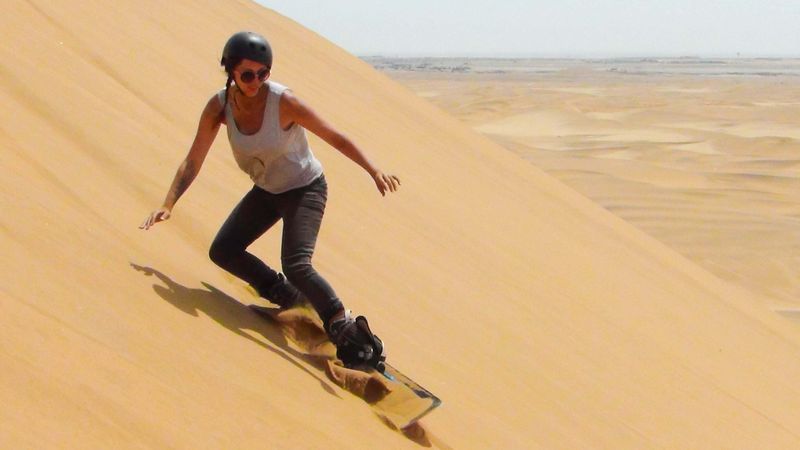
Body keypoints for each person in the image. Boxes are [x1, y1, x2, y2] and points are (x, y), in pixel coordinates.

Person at [140, 31, 400, 369]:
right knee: (223, 251)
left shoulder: (284, 102)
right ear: (230, 71)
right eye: (247, 74)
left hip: (306, 188)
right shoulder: (219, 107)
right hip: (267, 191)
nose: (256, 81)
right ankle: (289, 298)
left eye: (264, 73)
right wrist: (169, 202)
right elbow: (193, 159)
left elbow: (334, 136)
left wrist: (372, 169)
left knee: (296, 263)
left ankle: (346, 329)